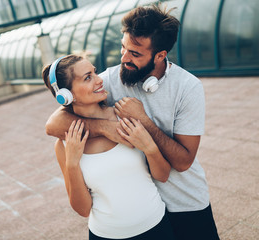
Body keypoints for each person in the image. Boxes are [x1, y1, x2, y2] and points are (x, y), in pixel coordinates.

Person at [45, 4, 220, 240]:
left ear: (160, 55)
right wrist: (105, 128)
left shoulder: (188, 88)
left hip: (184, 203)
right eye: (123, 48)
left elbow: (183, 161)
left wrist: (144, 121)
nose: (124, 59)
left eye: (135, 54)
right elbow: (54, 124)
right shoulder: (108, 80)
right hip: (140, 214)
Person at [42, 54, 176, 239]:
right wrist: (72, 164)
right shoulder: (64, 144)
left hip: (156, 226)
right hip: (106, 234)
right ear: (66, 96)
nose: (99, 80)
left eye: (94, 72)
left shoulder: (126, 116)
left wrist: (150, 148)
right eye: (88, 78)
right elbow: (83, 209)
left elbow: (163, 175)